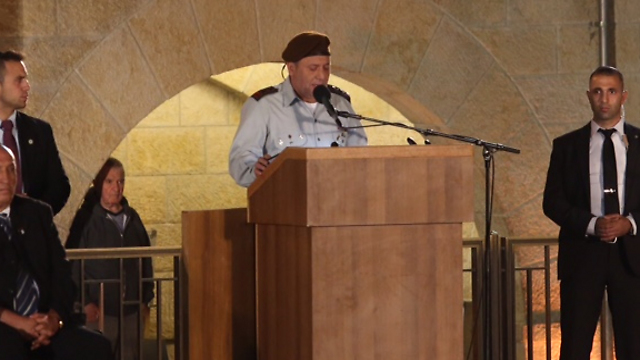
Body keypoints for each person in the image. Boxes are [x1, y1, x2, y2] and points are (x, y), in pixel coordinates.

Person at [543, 66, 640, 359]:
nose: (604, 99)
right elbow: (553, 202)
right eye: (597, 92)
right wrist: (592, 224)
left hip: (632, 258)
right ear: (588, 96)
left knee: (633, 344)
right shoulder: (567, 146)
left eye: (611, 91)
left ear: (624, 96)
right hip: (582, 255)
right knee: (574, 344)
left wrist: (630, 224)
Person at [0, 145, 113, 360]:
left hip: (46, 321)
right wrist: (20, 323)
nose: (6, 178)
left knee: (97, 347)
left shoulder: (37, 213)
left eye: (11, 169)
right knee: (10, 349)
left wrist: (54, 318)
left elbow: (63, 275)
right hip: (5, 325)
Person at [229, 31, 368, 187]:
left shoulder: (341, 104)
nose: (321, 76)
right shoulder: (264, 105)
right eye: (313, 68)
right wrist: (255, 170)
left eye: (326, 67)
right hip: (285, 202)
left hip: (337, 202)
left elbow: (361, 157)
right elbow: (239, 160)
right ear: (291, 68)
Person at [75, 157, 154, 360]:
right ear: (98, 184)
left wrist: (146, 298)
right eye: (109, 181)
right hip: (100, 311)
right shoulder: (87, 221)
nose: (116, 188)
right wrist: (84, 302)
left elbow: (145, 258)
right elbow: (75, 263)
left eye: (120, 181)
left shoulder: (133, 218)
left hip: (131, 310)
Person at [0, 50, 70, 215]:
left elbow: (59, 187)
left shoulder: (39, 132)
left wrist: (33, 211)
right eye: (19, 80)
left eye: (26, 79)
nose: (27, 86)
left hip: (29, 234)